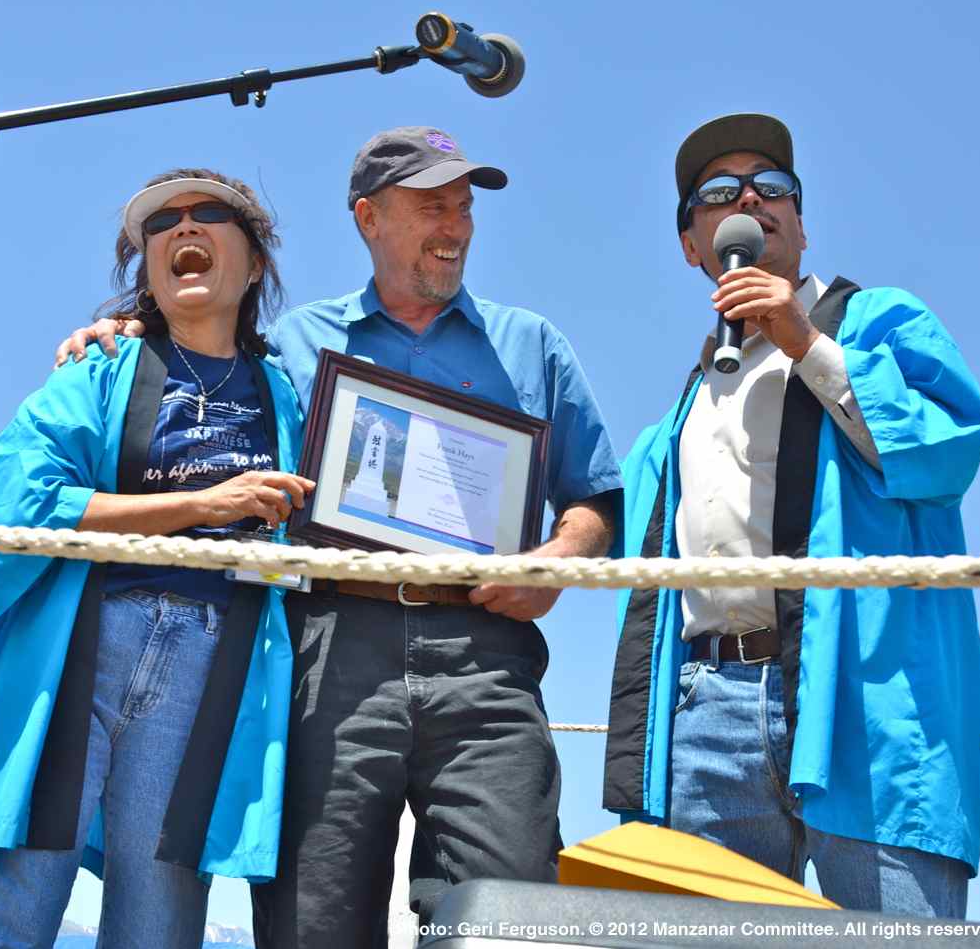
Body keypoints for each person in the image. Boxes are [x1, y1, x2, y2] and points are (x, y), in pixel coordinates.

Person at [55, 127, 624, 948]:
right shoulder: (292, 343)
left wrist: (557, 561)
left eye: (464, 207)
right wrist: (123, 333)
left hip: (488, 658)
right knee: (311, 920)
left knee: (514, 916)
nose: (455, 226)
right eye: (432, 205)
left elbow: (596, 497)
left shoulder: (533, 344)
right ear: (368, 217)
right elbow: (199, 360)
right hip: (328, 650)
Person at [603, 113, 980, 918]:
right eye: (720, 192)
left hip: (869, 702)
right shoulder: (680, 413)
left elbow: (948, 450)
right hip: (709, 714)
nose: (750, 198)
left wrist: (804, 341)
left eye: (772, 185)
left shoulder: (880, 322)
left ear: (802, 226)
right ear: (692, 246)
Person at [0, 168, 312, 949]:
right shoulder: (100, 367)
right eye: (162, 224)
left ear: (254, 263)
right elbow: (23, 500)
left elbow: (328, 530)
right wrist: (203, 505)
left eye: (209, 213)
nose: (184, 228)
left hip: (217, 667)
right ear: (148, 267)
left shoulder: (290, 397)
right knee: (3, 908)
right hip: (81, 646)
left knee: (159, 926)